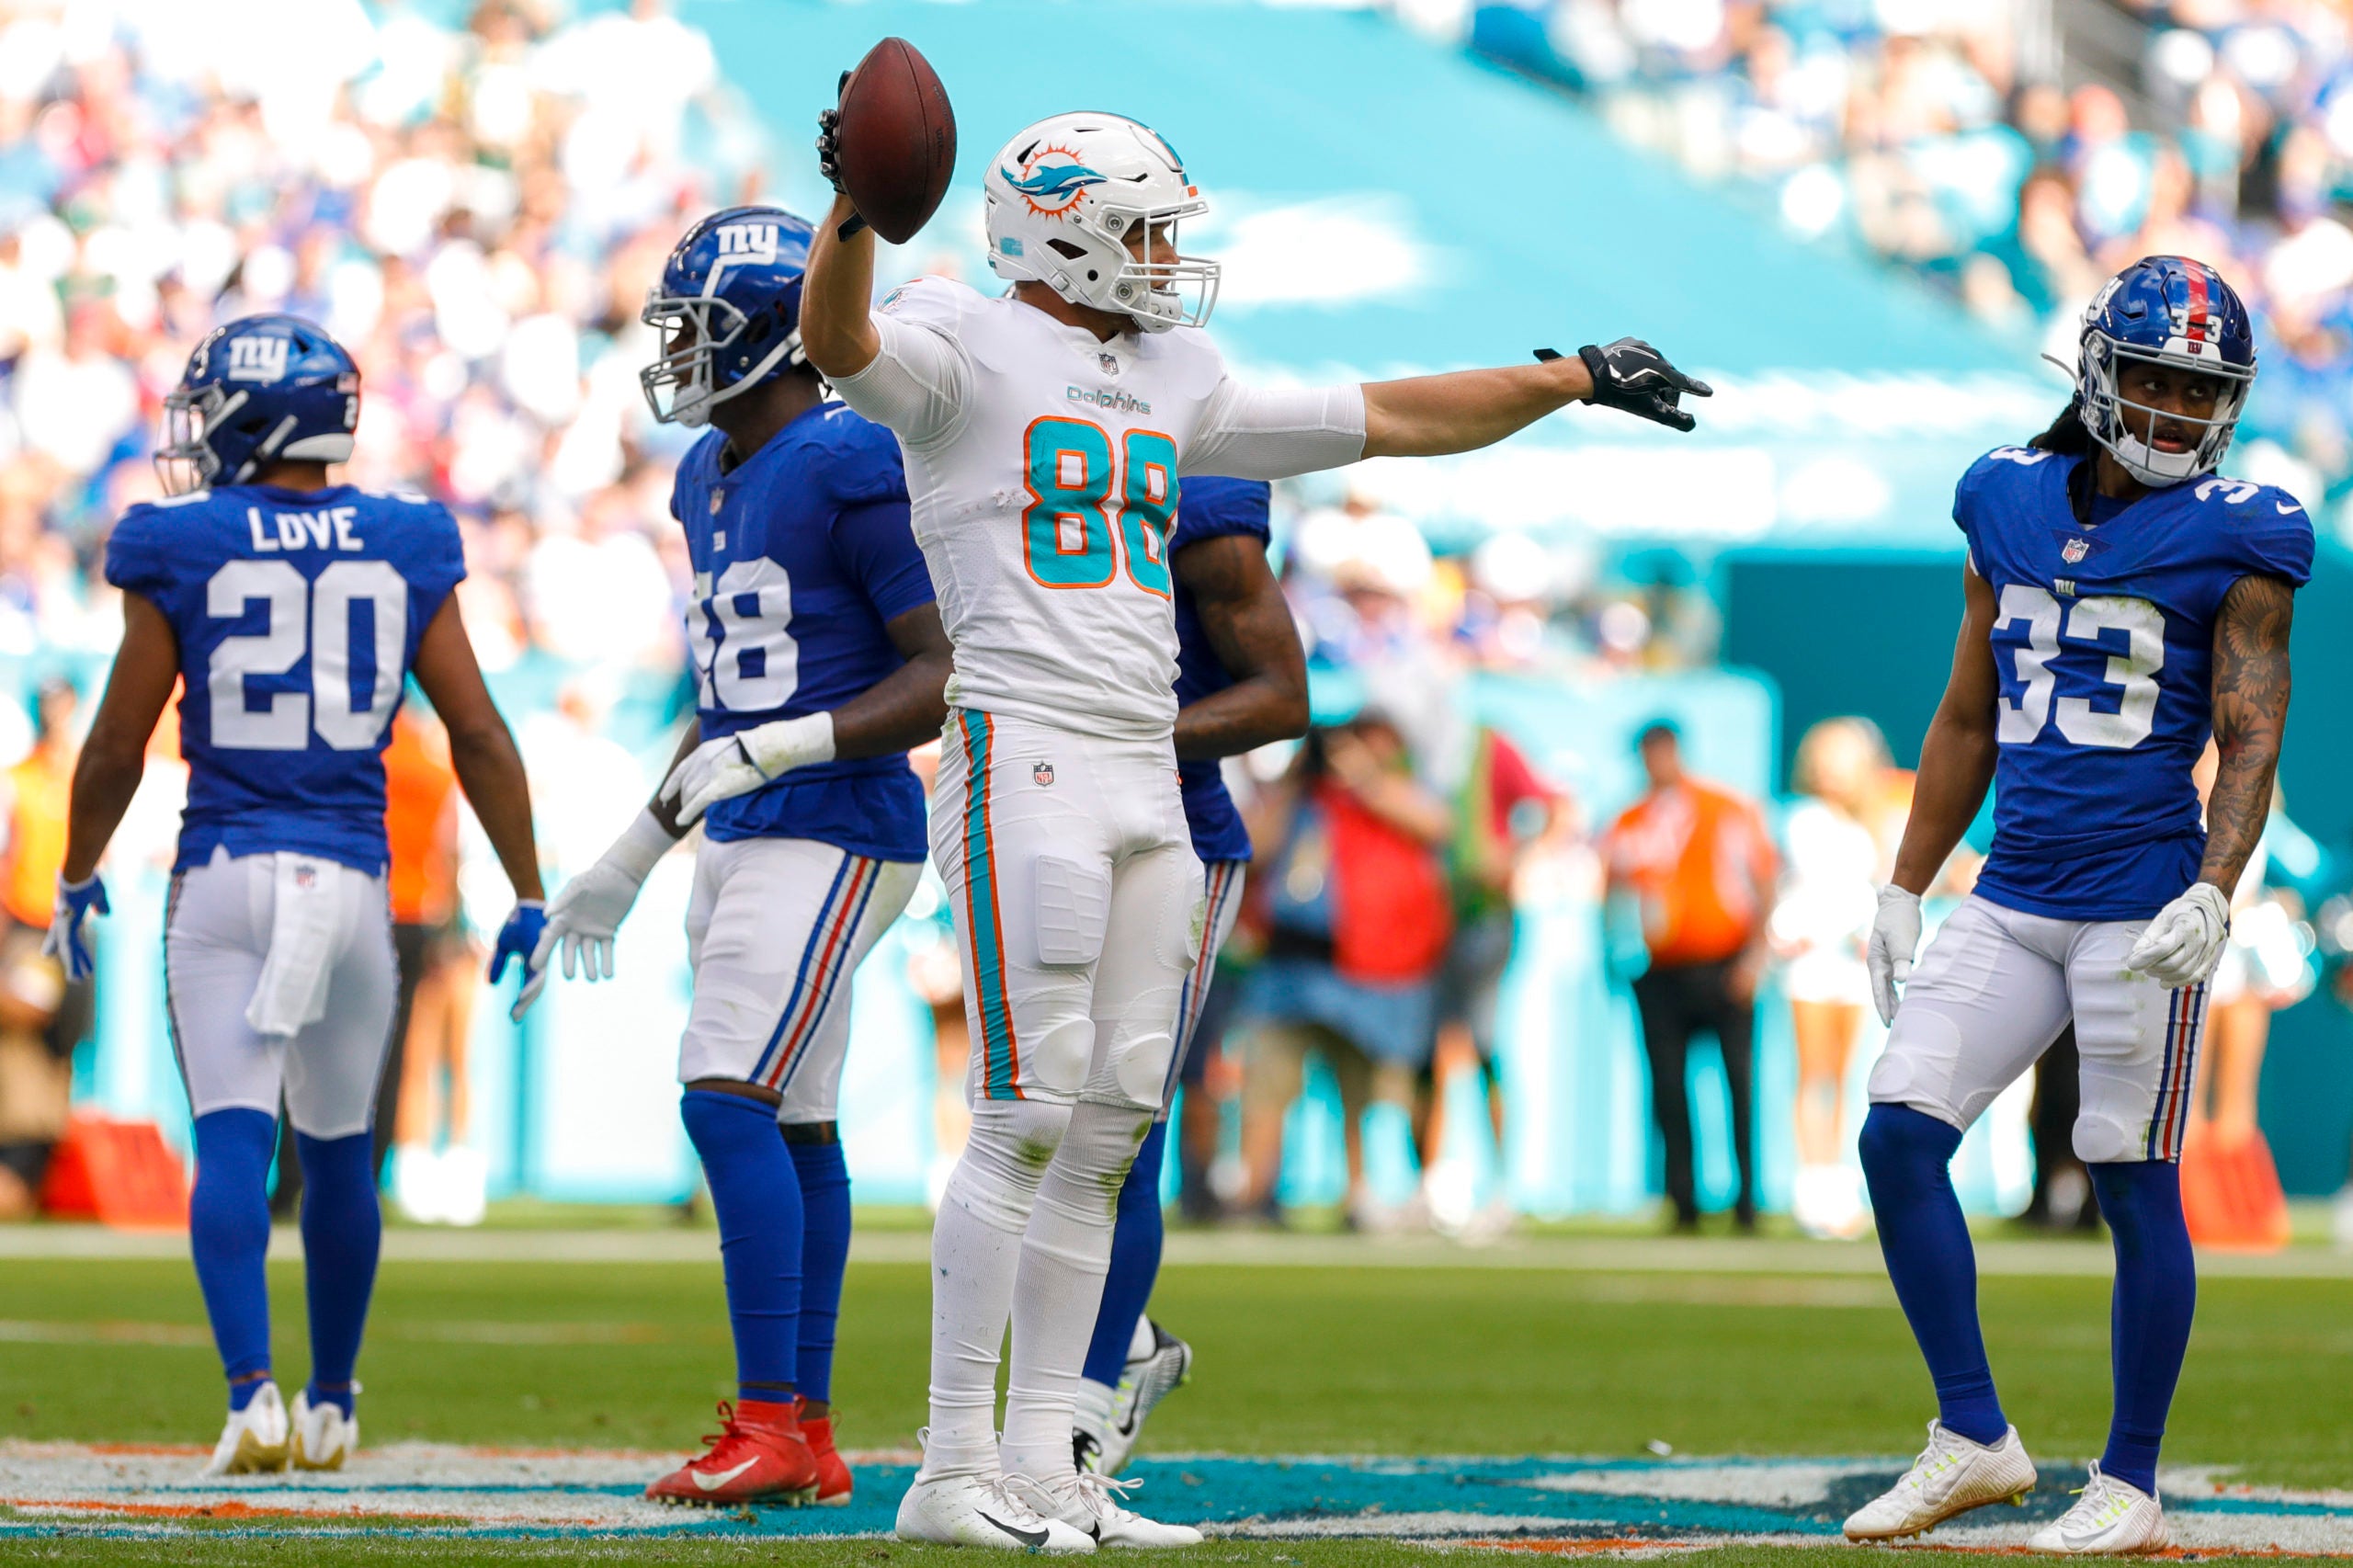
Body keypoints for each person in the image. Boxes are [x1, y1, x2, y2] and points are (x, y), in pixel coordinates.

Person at [796, 98, 1710, 1551]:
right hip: (1020, 744)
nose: (1167, 257)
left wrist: (1571, 377)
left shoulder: (1175, 370)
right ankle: (950, 1462)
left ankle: (1043, 1465)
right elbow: (839, 348)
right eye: (1146, 229)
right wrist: (854, 208)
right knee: (1026, 1111)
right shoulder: (954, 331)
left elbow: (1391, 417)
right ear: (1068, 229)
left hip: (1146, 767)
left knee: (1109, 1124)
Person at [1850, 256, 2309, 1554]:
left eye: (2198, 390)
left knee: (2131, 1177)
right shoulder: (2000, 496)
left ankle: (2132, 1475)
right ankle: (1974, 1436)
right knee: (1896, 1134)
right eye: (2154, 379)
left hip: (2139, 904)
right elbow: (1963, 712)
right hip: (2015, 888)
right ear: (2099, 369)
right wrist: (1901, 882)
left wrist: (2217, 892)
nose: (2173, 412)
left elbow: (2252, 732)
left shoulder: (2247, 528)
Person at [43, 313, 550, 1475]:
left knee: (229, 1141)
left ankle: (251, 1393)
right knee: (336, 1151)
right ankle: (332, 1398)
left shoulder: (182, 540)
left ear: (253, 415)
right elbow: (476, 729)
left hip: (223, 873)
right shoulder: (406, 535)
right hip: (355, 887)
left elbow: (119, 741)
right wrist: (528, 884)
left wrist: (75, 869)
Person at [528, 208, 952, 1509]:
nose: (677, 350)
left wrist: (786, 750)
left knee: (723, 1097)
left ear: (775, 333)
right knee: (797, 1119)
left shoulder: (848, 457)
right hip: (754, 821)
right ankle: (807, 1434)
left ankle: (770, 1418)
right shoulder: (704, 472)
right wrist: (628, 855)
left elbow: (940, 674)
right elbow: (721, 712)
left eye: (699, 327)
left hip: (836, 820)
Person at [1073, 476, 1307, 1478]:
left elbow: (1280, 695)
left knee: (1116, 1125)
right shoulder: (990, 425)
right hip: (1025, 820)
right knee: (1024, 1126)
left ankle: (1078, 1408)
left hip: (1167, 831)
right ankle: (1119, 1350)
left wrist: (1116, 743)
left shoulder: (1193, 482)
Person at [1235, 714, 1454, 1230]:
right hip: (1290, 969)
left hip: (1365, 975)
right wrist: (1291, 783)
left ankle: (1361, 1196)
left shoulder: (1387, 794)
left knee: (1361, 1091)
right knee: (1269, 1085)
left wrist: (1364, 779)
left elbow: (1436, 824)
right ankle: (1252, 1197)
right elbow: (1255, 847)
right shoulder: (1298, 802)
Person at [1602, 722, 1778, 1233]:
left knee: (1739, 1086)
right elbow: (1611, 892)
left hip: (1722, 964)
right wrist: (1614, 956)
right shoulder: (1630, 821)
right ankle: (1684, 1201)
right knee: (1668, 1089)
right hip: (1661, 970)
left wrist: (1754, 959)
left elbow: (1763, 882)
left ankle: (1747, 1201)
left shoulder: (1724, 811)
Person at [1417, 722, 1561, 1236]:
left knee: (1482, 1045)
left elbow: (1554, 805)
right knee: (1426, 1055)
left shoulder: (1485, 744)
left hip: (1483, 918)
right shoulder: (1400, 745)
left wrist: (1510, 857)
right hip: (1420, 921)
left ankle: (1500, 1188)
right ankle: (1431, 1186)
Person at [1769, 716, 1896, 1239]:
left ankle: (1839, 1187)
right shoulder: (1800, 820)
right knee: (1812, 1074)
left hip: (1853, 964)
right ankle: (1812, 1188)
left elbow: (1882, 885)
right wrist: (1790, 932)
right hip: (1811, 961)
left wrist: (1870, 935)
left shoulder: (1875, 825)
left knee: (1845, 1080)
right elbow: (1793, 888)